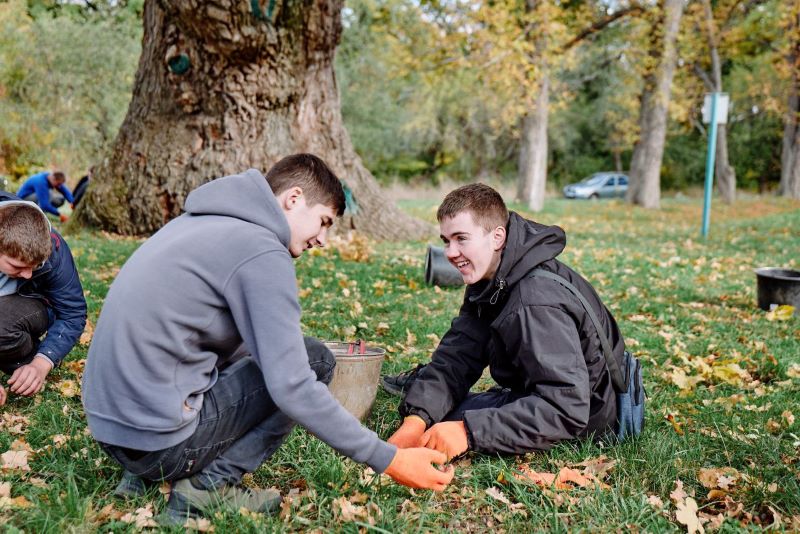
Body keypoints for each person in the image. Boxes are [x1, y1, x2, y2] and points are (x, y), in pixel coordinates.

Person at [81, 154, 453, 525]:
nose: (322, 240)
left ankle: (143, 477)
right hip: (157, 446)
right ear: (292, 199)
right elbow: (292, 385)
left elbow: (223, 337)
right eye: (323, 221)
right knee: (314, 361)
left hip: (112, 432)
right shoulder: (261, 250)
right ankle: (206, 487)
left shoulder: (199, 222)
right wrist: (388, 458)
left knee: (282, 357)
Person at [387, 183, 626, 460]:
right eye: (446, 240)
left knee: (451, 421)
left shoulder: (534, 300)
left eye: (461, 238)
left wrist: (465, 433)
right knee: (431, 410)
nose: (450, 252)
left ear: (497, 237)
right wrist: (414, 421)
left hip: (585, 418)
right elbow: (459, 354)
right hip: (551, 394)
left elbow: (566, 407)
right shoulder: (494, 278)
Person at [0, 193, 87, 405]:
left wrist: (41, 363)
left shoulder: (54, 248)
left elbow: (73, 314)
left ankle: (24, 360)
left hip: (27, 306)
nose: (29, 274)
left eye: (35, 266)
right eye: (18, 267)